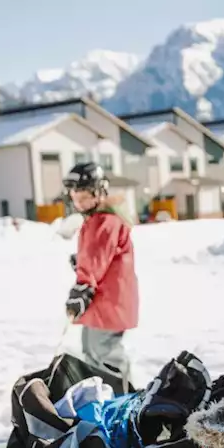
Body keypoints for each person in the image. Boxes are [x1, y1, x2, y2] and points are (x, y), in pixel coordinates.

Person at [63, 163, 139, 385]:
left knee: (104, 353)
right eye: (76, 197)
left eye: (85, 197)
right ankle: (105, 400)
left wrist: (83, 286)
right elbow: (99, 258)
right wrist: (82, 264)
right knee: (91, 352)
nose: (80, 203)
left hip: (110, 302)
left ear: (99, 193)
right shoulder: (98, 220)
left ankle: (125, 399)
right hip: (103, 302)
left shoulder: (104, 221)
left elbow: (96, 259)